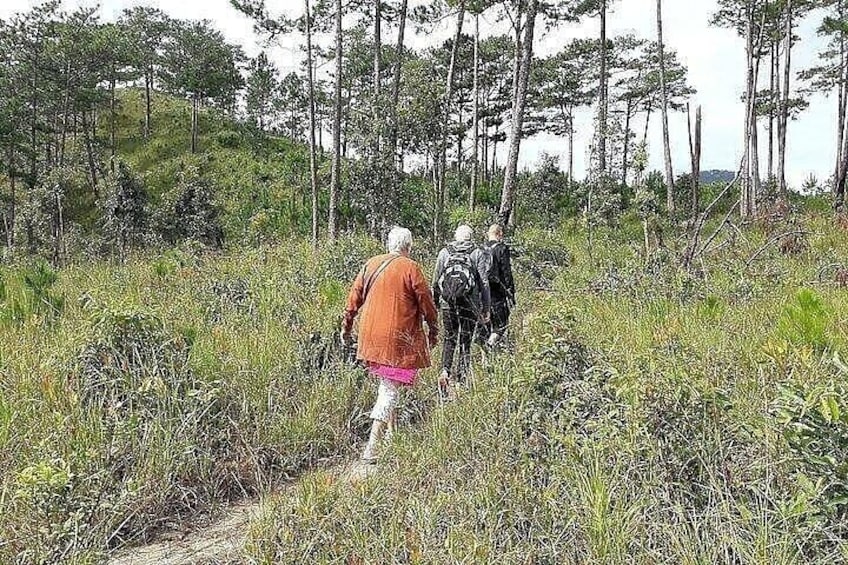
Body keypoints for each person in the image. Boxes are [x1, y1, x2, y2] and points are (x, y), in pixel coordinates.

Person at [342, 226, 439, 464]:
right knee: (388, 390)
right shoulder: (410, 267)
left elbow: (353, 300)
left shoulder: (371, 264)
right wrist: (434, 329)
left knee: (388, 385)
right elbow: (426, 301)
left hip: (371, 337)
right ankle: (372, 447)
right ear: (408, 246)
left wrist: (346, 328)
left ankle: (391, 439)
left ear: (389, 244)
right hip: (397, 340)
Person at [433, 224, 490, 396]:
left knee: (449, 339)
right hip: (469, 304)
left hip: (447, 304)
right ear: (470, 237)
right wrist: (485, 308)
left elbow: (435, 281)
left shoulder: (444, 252)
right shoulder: (477, 253)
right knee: (465, 342)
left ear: (455, 236)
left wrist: (436, 303)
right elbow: (484, 283)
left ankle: (445, 371)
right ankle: (461, 381)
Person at [483, 224, 516, 347]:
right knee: (502, 324)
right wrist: (510, 291)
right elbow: (506, 271)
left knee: (486, 323)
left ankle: (487, 351)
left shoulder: (481, 249)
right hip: (498, 291)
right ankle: (491, 344)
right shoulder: (502, 248)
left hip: (483, 291)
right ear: (499, 234)